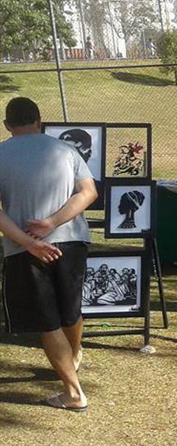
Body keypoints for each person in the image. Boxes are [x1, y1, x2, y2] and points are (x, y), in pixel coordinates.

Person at [0, 97, 98, 411]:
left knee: (48, 322)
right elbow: (88, 192)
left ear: (7, 125)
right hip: (71, 242)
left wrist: (29, 242)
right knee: (70, 310)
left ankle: (73, 393)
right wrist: (53, 222)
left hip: (24, 248)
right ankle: (75, 353)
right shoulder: (66, 150)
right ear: (40, 121)